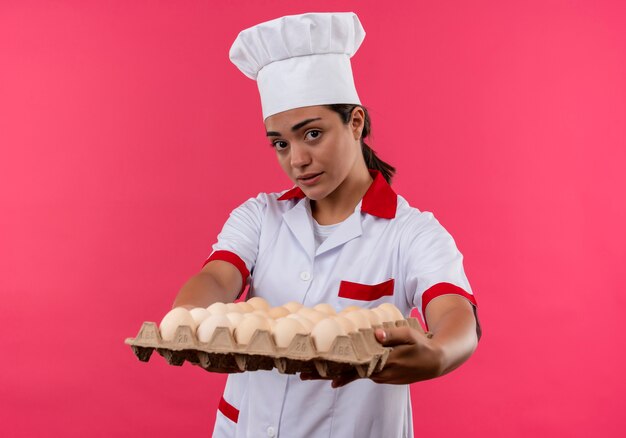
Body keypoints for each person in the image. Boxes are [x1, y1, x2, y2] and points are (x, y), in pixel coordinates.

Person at [171, 12, 481, 438]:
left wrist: (442, 352)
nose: (296, 159)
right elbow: (215, 277)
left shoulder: (411, 233)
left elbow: (455, 313)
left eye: (312, 134)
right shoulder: (260, 217)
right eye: (280, 143)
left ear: (355, 122)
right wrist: (187, 317)